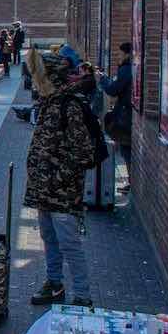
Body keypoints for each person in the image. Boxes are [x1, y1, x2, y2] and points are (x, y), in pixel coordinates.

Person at [26, 50, 98, 307]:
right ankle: (54, 283)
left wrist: (57, 180)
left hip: (62, 193)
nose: (34, 80)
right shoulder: (49, 101)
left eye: (39, 75)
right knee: (49, 238)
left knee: (69, 244)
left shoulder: (70, 105)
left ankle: (83, 296)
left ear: (51, 77)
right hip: (45, 191)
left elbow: (83, 152)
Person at [100, 42, 134, 192]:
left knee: (126, 149)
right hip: (127, 113)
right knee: (125, 149)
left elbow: (113, 90)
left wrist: (103, 80)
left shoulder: (126, 70)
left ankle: (132, 182)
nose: (118, 57)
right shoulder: (129, 68)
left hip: (126, 115)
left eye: (120, 54)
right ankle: (131, 181)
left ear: (127, 54)